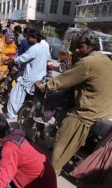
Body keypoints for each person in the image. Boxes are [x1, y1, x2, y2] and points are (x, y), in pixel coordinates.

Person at [36, 29, 112, 175]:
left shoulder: (87, 62)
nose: (77, 49)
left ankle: (50, 177)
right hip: (106, 111)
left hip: (87, 115)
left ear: (91, 46)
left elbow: (61, 80)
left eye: (81, 46)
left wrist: (42, 86)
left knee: (60, 147)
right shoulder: (104, 59)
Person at [6, 29, 49, 119]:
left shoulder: (34, 48)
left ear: (35, 38)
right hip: (40, 77)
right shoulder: (45, 46)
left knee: (15, 95)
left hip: (30, 78)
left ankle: (11, 114)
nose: (27, 39)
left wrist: (13, 60)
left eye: (29, 38)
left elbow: (22, 58)